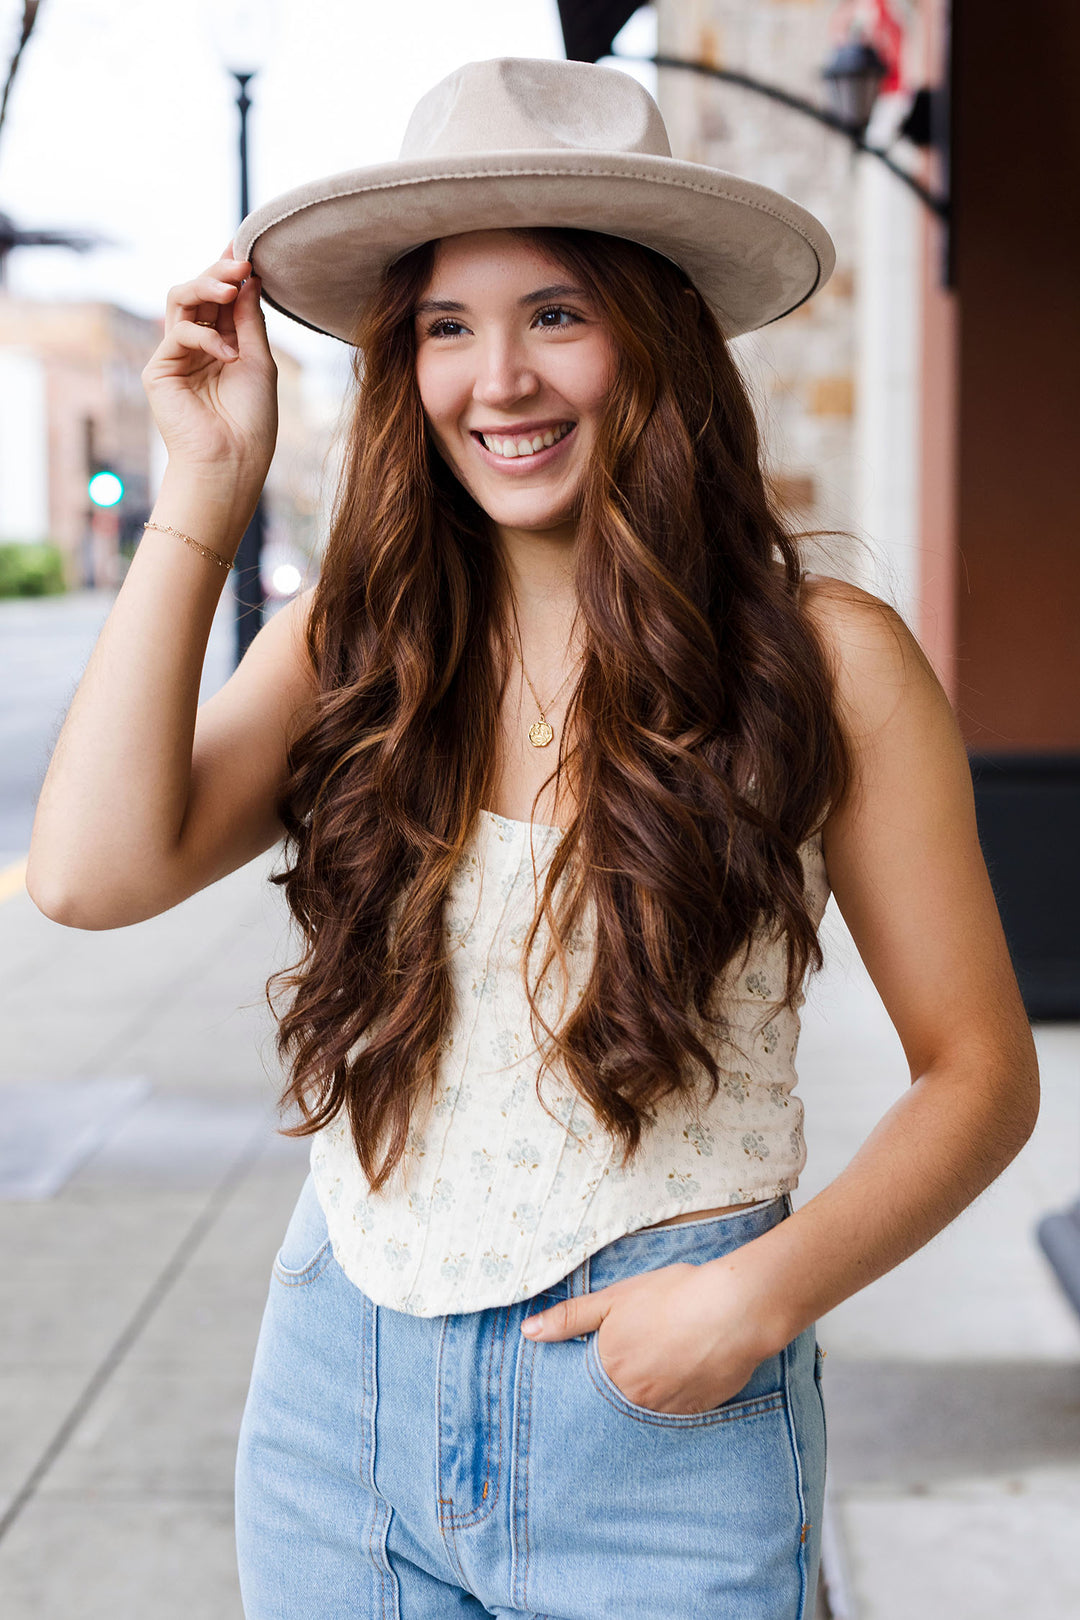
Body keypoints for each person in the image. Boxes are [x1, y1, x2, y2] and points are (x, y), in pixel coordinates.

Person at [27, 56, 1038, 1620]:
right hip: (337, 1401)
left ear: (659, 336)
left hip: (659, 1425)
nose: (497, 380)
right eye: (447, 326)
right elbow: (89, 878)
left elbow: (981, 1072)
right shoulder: (363, 644)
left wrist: (757, 1302)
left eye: (556, 313)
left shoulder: (827, 659)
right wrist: (206, 492)